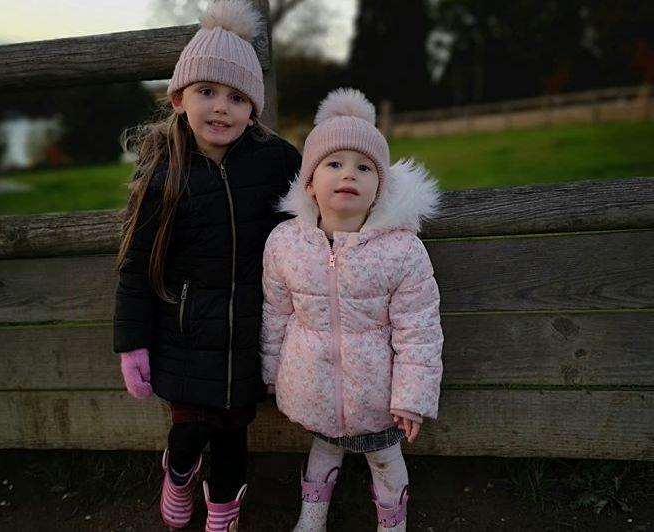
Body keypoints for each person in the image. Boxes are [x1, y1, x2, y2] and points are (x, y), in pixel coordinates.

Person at [113, 1, 301, 530]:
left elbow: (321, 201)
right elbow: (135, 266)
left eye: (237, 97)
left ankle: (223, 507)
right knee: (189, 429)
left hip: (248, 335)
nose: (222, 108)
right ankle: (177, 472)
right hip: (184, 337)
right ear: (179, 98)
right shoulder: (164, 174)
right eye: (207, 92)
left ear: (254, 107)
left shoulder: (278, 162)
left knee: (234, 434)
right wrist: (132, 346)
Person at [260, 88, 443, 531]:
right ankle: (313, 514)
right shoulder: (286, 244)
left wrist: (412, 398)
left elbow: (419, 330)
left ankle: (391, 522)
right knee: (323, 449)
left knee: (384, 459)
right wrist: (270, 371)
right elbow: (276, 314)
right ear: (309, 182)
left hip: (378, 395)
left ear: (379, 187)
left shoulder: (402, 250)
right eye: (334, 164)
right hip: (314, 386)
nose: (349, 175)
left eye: (364, 167)